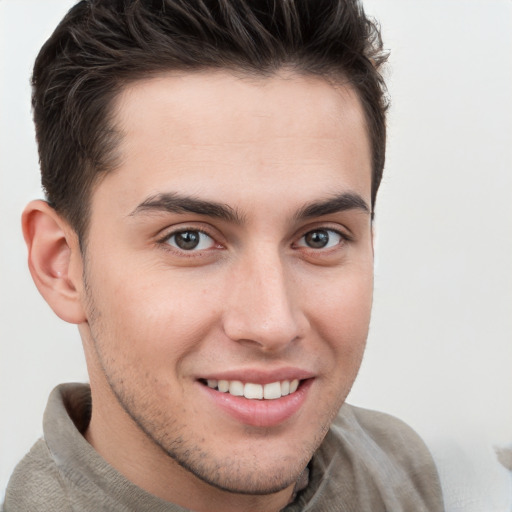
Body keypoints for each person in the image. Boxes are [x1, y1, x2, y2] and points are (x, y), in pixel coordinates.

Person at [3, 0, 444, 511]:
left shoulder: (399, 466)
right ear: (61, 266)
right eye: (188, 238)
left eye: (320, 237)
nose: (272, 323)